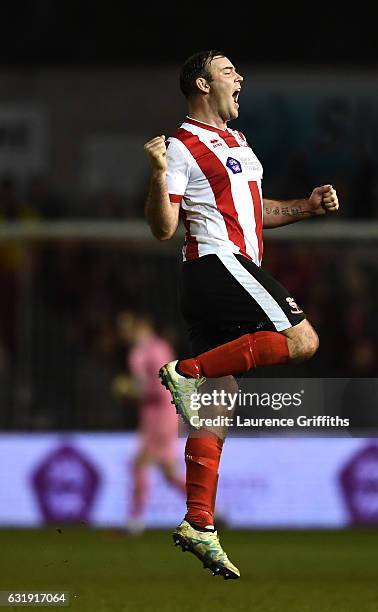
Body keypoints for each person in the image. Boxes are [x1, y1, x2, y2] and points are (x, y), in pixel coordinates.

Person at [144, 50, 340, 579]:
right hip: (215, 265)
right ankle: (186, 371)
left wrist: (304, 207)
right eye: (229, 71)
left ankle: (198, 522)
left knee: (219, 402)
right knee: (302, 340)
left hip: (226, 270)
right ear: (202, 86)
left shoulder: (238, 143)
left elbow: (255, 211)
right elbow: (164, 227)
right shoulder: (182, 146)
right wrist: (159, 174)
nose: (241, 78)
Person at [114, 311, 186, 534]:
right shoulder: (140, 352)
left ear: (140, 325)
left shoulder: (155, 349)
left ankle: (134, 523)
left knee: (139, 465)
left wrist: (130, 390)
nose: (123, 333)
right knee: (169, 473)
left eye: (126, 327)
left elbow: (162, 385)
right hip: (154, 418)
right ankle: (212, 511)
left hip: (162, 416)